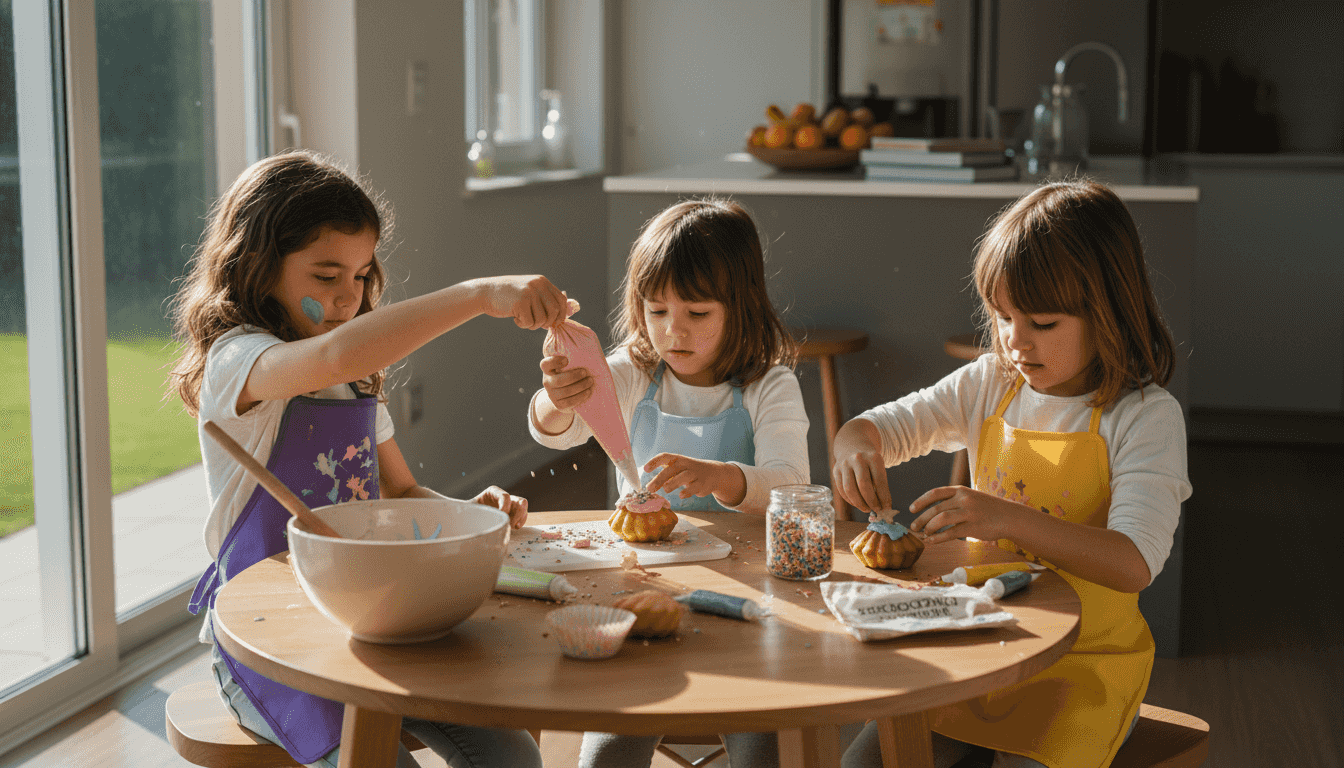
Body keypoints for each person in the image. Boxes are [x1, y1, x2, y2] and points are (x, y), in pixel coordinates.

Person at [169, 149, 566, 768]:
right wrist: (479, 294)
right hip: (270, 641)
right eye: (326, 276)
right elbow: (334, 357)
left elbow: (402, 493)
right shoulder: (239, 361)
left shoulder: (353, 385)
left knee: (512, 758)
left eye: (359, 276)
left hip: (368, 616)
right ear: (256, 266)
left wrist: (472, 516)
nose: (348, 297)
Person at [831, 179, 1191, 768]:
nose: (1015, 342)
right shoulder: (990, 383)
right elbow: (880, 427)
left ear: (1108, 313)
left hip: (1083, 667)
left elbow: (1133, 563)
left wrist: (1004, 518)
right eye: (1002, 318)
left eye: (1043, 324)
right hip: (979, 646)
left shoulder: (1145, 418)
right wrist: (856, 444)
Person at [527, 198, 810, 768]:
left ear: (743, 308)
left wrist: (721, 478)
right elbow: (558, 433)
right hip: (644, 586)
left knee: (761, 744)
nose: (672, 331)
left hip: (746, 591)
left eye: (697, 314)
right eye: (656, 312)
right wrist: (555, 402)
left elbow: (791, 485)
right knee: (611, 745)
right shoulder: (632, 372)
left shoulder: (768, 386)